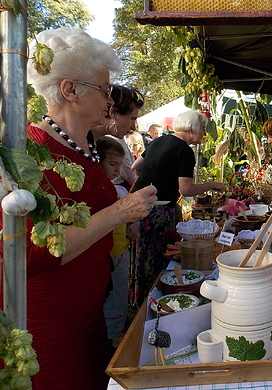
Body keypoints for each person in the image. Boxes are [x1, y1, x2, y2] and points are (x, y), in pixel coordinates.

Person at [8, 28, 157, 390]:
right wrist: (118, 213)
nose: (111, 100)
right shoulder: (32, 153)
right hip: (50, 328)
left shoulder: (87, 147)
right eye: (104, 89)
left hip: (87, 318)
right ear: (70, 90)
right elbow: (30, 251)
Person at [130, 109, 226, 307]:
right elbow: (187, 189)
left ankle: (139, 300)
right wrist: (213, 185)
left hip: (137, 204)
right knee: (158, 258)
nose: (204, 134)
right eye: (202, 129)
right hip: (158, 209)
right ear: (191, 128)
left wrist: (154, 179)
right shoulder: (184, 150)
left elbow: (136, 167)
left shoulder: (157, 141)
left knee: (140, 255)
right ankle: (156, 302)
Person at [96, 136, 139, 341]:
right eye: (112, 164)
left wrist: (134, 223)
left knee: (120, 292)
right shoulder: (100, 193)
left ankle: (116, 329)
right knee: (113, 295)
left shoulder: (119, 190)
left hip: (120, 251)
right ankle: (112, 336)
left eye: (120, 165)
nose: (117, 170)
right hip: (109, 255)